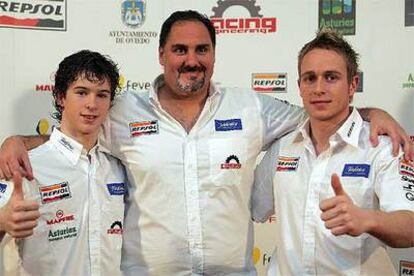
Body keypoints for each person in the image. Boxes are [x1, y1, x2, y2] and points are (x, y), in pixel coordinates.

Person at [0, 10, 412, 275]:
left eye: (202, 49)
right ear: (161, 54)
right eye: (180, 49)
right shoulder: (123, 109)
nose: (191, 59)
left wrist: (376, 113)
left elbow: (322, 111)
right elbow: (76, 134)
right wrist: (16, 140)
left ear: (214, 55)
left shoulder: (252, 108)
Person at [252, 29, 414, 275]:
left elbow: (410, 226)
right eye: (310, 78)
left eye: (330, 77)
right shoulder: (283, 147)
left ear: (352, 85)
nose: (318, 88)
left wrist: (367, 219)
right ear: (299, 86)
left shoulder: (382, 147)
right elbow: (252, 207)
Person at [0, 50, 127, 275]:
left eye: (102, 95)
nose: (92, 104)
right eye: (81, 92)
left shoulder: (118, 168)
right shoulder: (26, 164)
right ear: (60, 97)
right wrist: (2, 221)